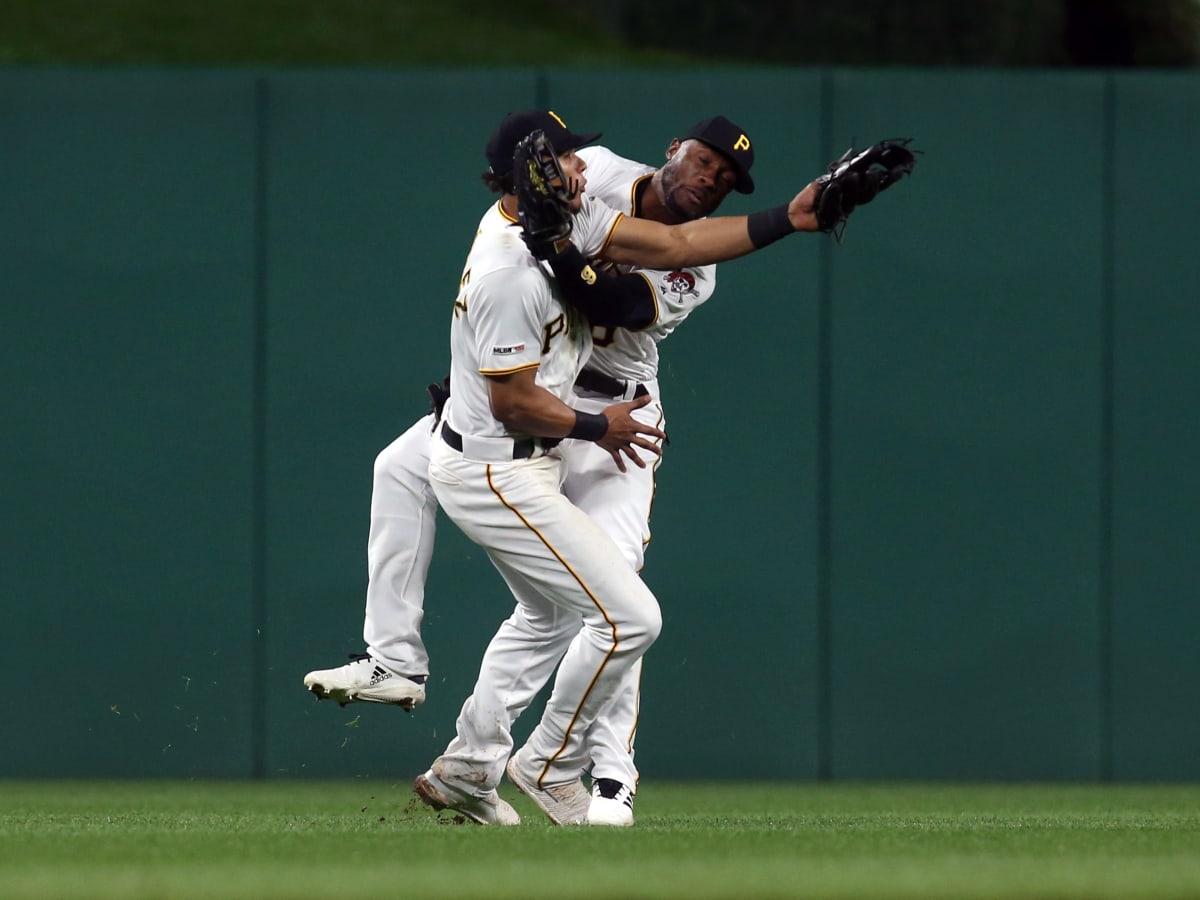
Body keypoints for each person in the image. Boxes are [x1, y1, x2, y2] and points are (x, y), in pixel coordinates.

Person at [305, 114, 772, 826]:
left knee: (559, 592)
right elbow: (527, 375)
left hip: (590, 408)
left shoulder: (569, 218)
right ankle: (534, 754)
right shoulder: (520, 260)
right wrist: (582, 421)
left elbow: (662, 255)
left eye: (727, 178)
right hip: (540, 432)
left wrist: (792, 218)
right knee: (618, 612)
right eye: (562, 161)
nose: (578, 168)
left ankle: (496, 763)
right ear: (676, 147)